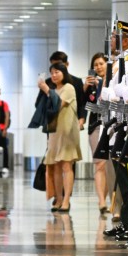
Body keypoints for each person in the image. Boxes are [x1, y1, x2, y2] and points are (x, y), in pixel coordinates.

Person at [39, 62, 82, 213]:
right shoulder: (53, 90)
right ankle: (58, 198)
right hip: (54, 132)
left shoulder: (69, 88)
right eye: (52, 73)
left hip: (67, 132)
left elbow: (58, 104)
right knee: (55, 165)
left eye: (57, 72)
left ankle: (66, 200)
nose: (54, 75)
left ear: (64, 72)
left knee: (66, 165)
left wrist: (46, 89)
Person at [84, 53, 112, 213]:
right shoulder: (91, 84)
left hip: (111, 125)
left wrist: (101, 84)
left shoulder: (113, 79)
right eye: (95, 65)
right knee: (100, 163)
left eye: (101, 63)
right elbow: (87, 104)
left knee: (109, 164)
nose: (98, 67)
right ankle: (101, 201)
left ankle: (107, 199)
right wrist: (85, 88)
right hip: (95, 125)